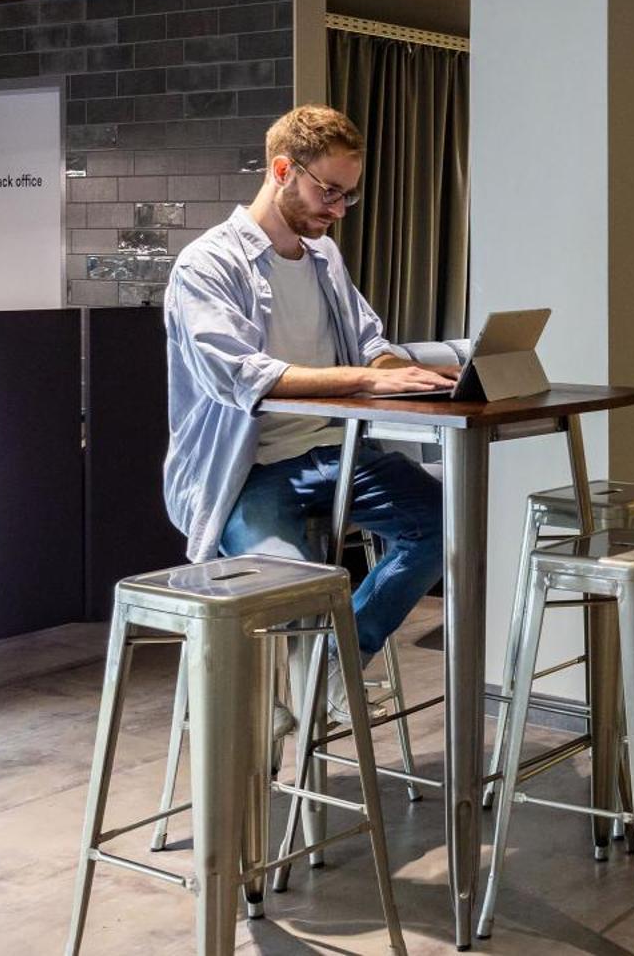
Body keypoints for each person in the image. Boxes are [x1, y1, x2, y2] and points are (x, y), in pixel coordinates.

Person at [163, 104, 457, 723]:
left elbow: (368, 343)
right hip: (248, 470)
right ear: (282, 171)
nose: (339, 210)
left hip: (333, 453)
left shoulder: (324, 258)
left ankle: (332, 665)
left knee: (444, 524)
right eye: (329, 192)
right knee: (295, 591)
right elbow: (237, 374)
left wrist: (412, 373)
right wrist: (366, 377)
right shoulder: (207, 264)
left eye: (348, 196)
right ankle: (262, 720)